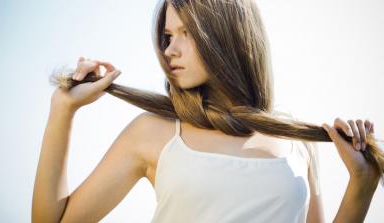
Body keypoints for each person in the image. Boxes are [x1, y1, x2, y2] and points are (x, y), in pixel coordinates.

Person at [32, 0, 382, 222]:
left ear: (227, 38)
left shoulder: (297, 145)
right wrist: (62, 110)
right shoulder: (153, 133)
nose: (170, 48)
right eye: (168, 35)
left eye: (186, 32)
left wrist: (362, 186)